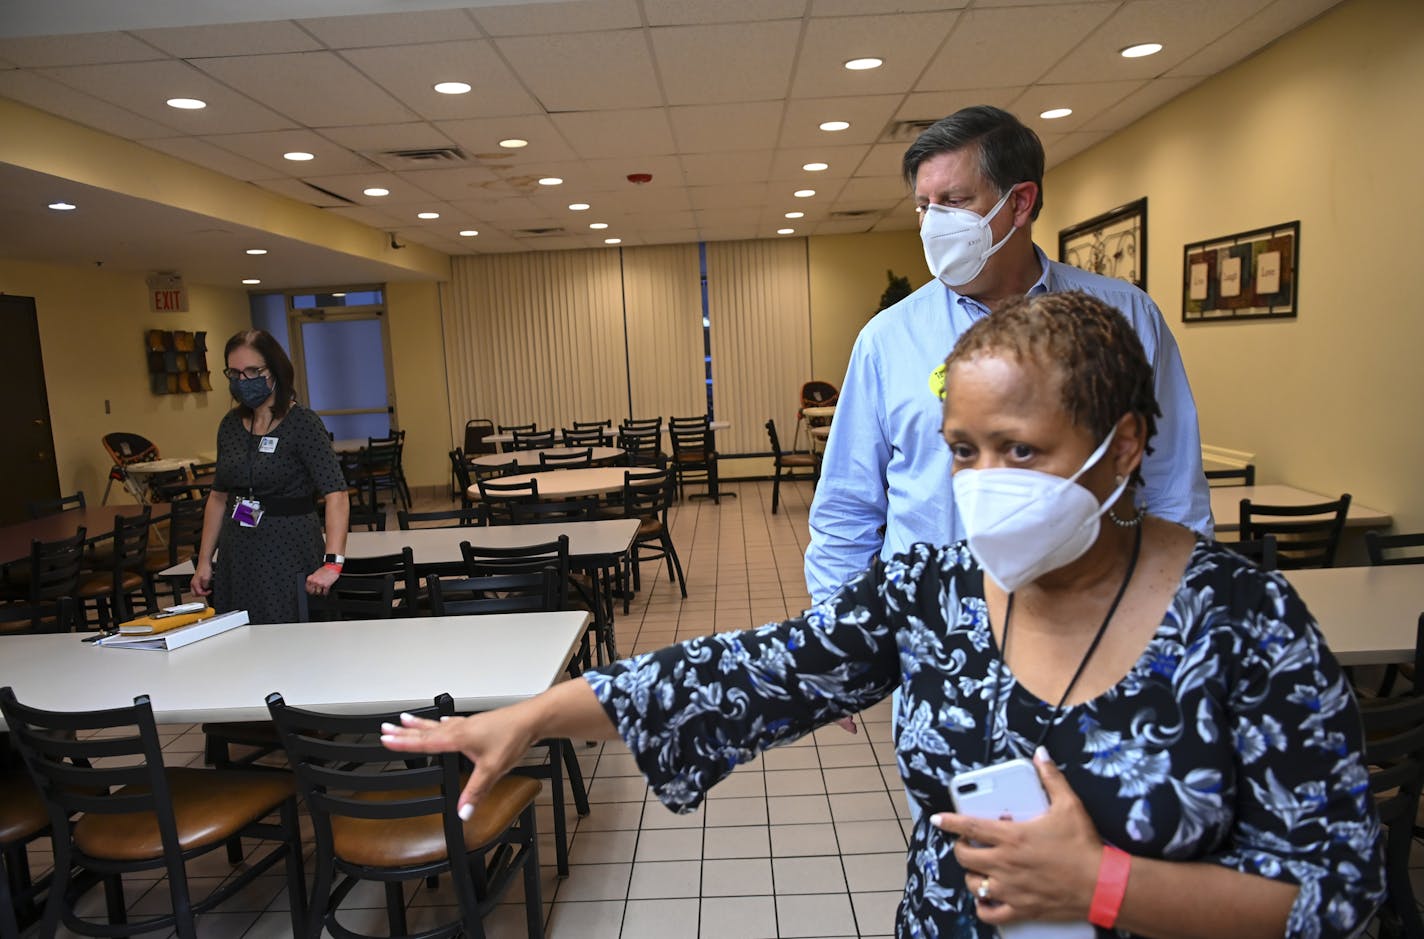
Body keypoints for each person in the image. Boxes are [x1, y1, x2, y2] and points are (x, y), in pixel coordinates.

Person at [382, 293, 1382, 939]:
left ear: (1121, 447)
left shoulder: (1241, 620)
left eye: (1019, 450)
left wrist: (1102, 886)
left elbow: (1339, 893)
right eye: (961, 449)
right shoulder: (932, 592)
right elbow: (749, 673)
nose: (980, 482)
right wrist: (535, 714)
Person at [805, 105, 1212, 608]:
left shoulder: (1126, 317)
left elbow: (1173, 486)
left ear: (1020, 203)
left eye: (954, 201)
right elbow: (846, 508)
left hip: (1095, 621)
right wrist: (844, 637)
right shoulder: (888, 339)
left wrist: (1175, 617)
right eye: (924, 205)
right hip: (940, 630)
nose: (934, 223)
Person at [190, 329, 349, 623]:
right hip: (238, 552)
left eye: (253, 371)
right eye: (235, 374)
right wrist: (204, 561)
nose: (243, 381)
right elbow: (218, 496)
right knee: (239, 639)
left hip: (288, 550)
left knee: (287, 637)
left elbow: (336, 494)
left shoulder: (302, 423)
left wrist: (333, 564)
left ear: (274, 370)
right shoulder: (230, 425)